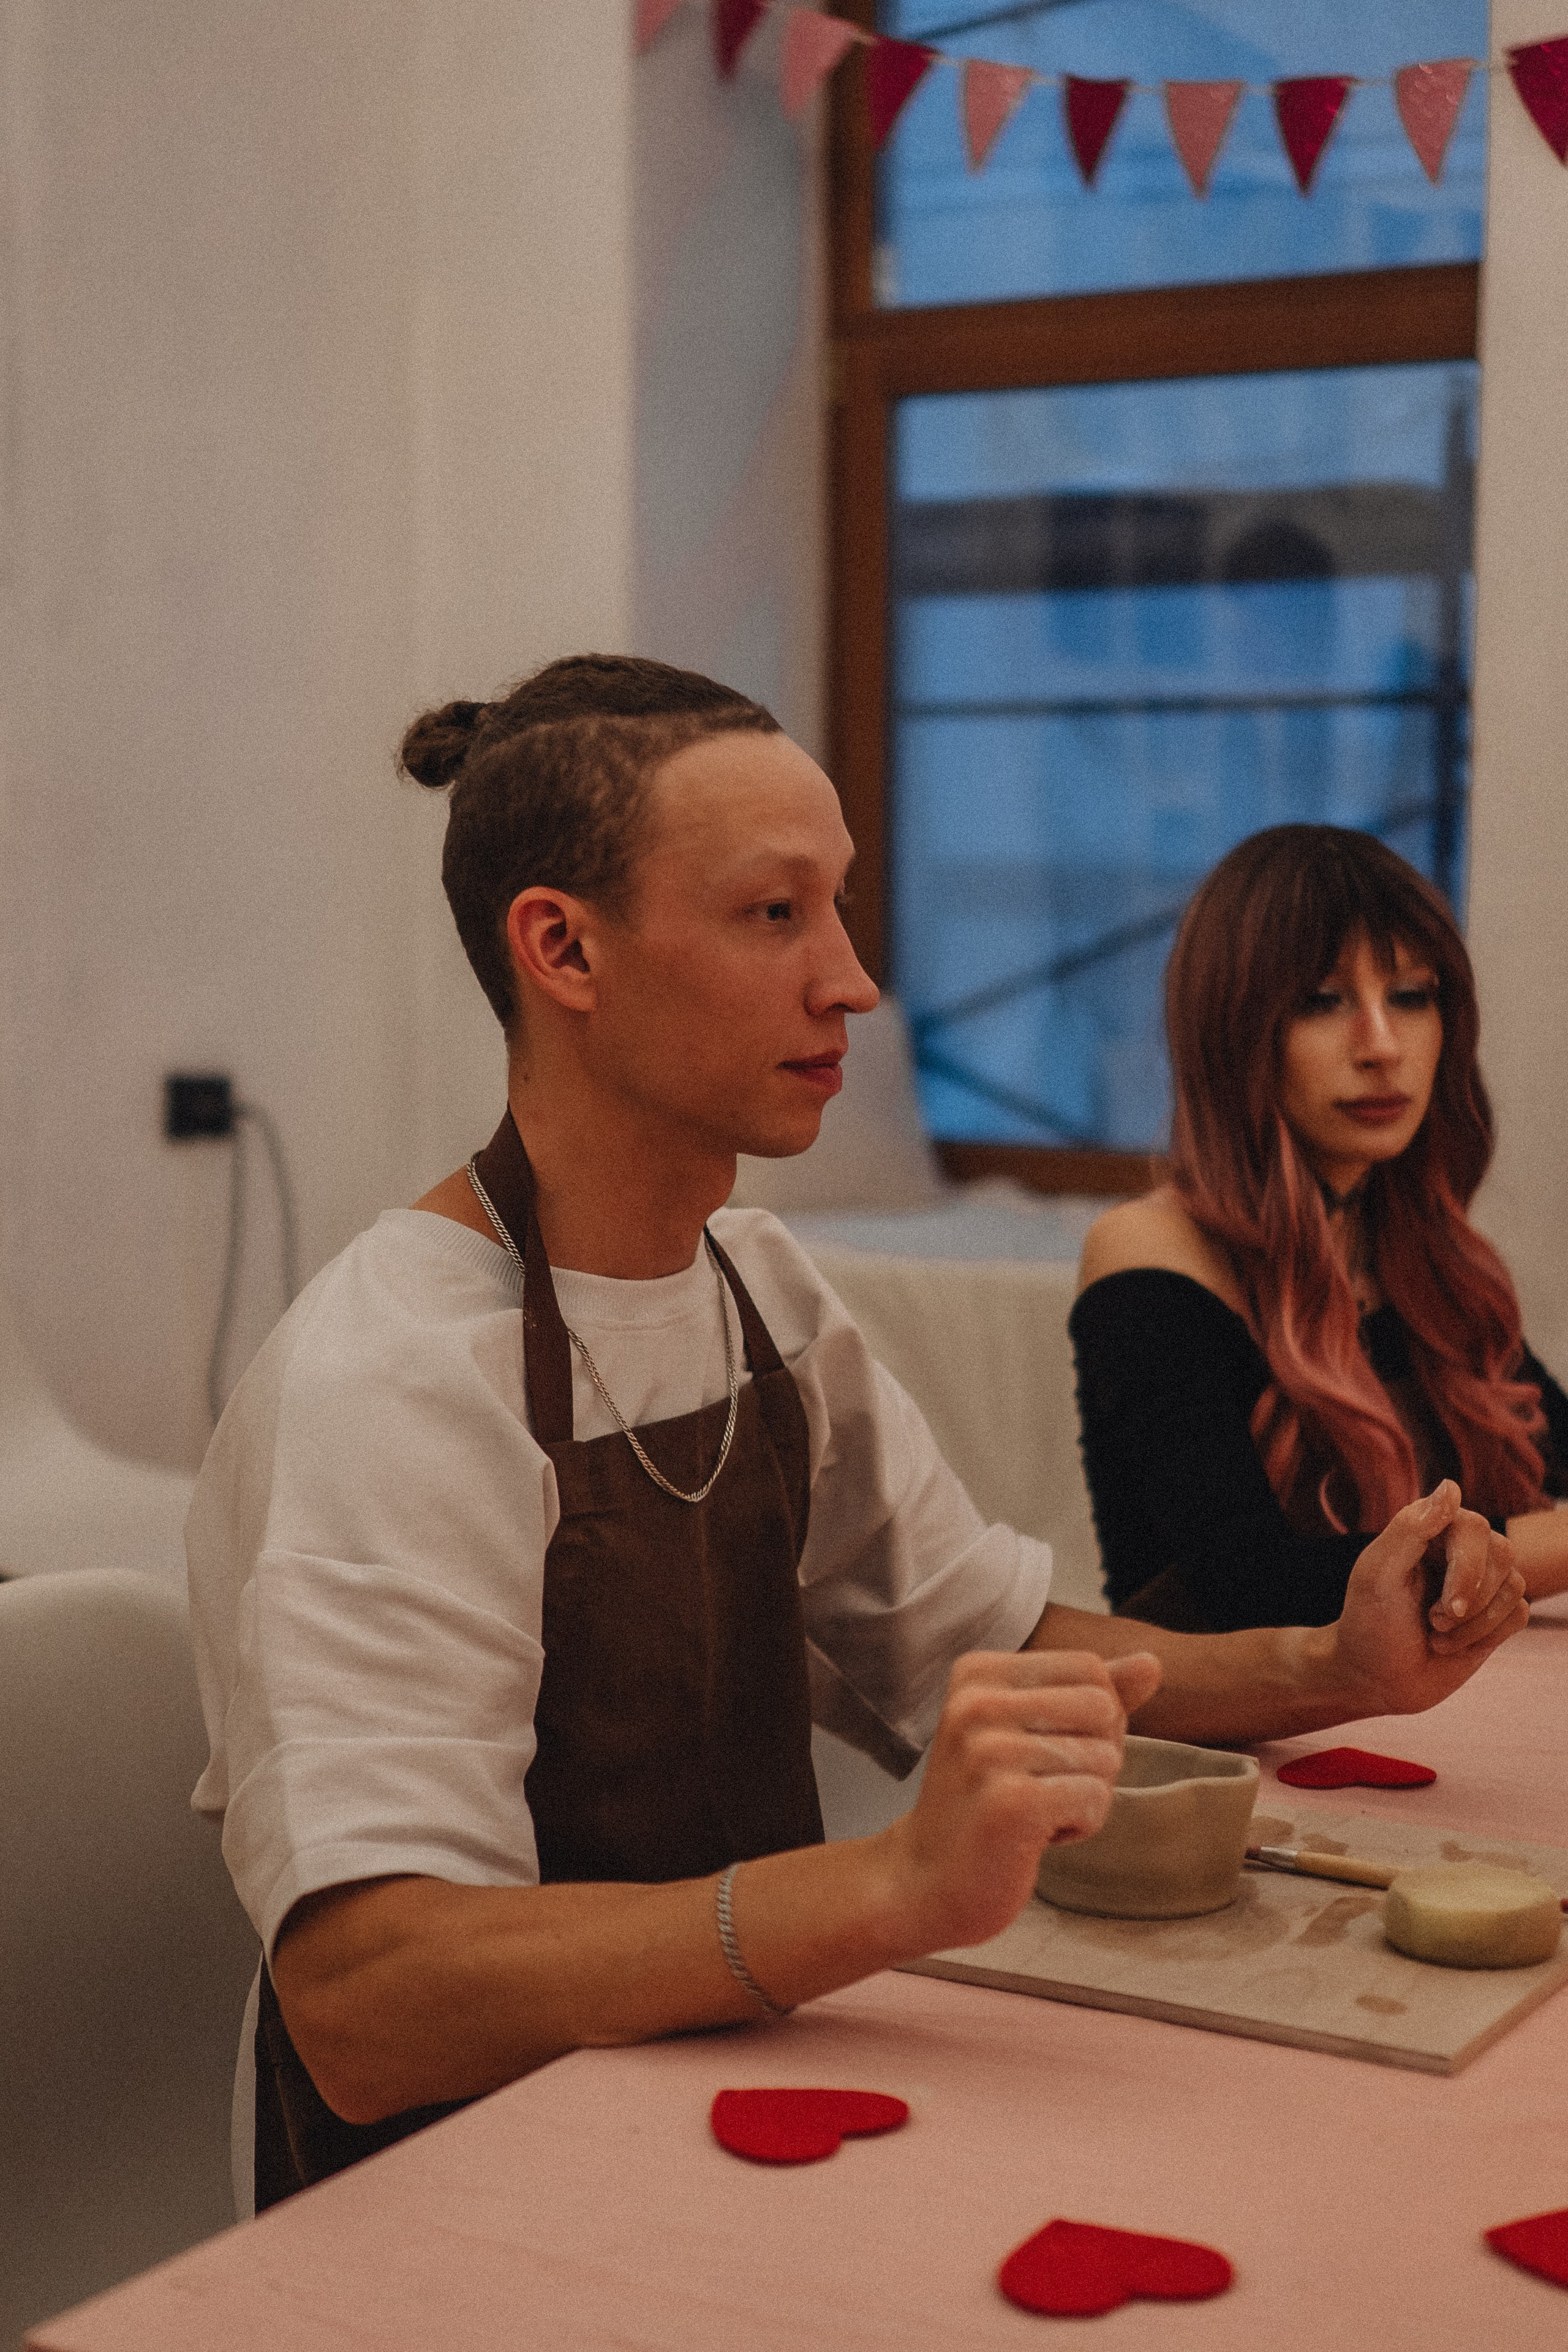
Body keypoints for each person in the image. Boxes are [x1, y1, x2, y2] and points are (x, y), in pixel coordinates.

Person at [186, 666, 1525, 2212]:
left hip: (713, 2101)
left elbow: (995, 1633)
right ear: (561, 947)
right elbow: (367, 2002)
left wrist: (1334, 1667)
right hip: (451, 2196)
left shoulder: (760, 1288)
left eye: (840, 907)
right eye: (776, 915)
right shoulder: (391, 1379)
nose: (852, 981)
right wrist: (885, 1887)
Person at [1074, 824, 1568, 1634]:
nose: (1382, 1046)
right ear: (1232, 1032)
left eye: (1411, 996)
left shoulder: (1417, 1254)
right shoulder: (1150, 1250)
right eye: (1321, 1002)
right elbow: (1250, 1583)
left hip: (1416, 1716)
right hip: (1231, 1743)